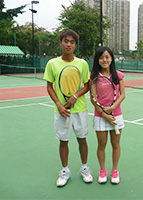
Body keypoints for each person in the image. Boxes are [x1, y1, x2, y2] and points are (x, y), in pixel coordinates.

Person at [44, 29, 93, 187]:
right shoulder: (52, 63)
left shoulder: (82, 64)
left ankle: (85, 169)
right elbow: (49, 86)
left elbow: (87, 85)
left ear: (75, 45)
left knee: (82, 139)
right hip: (62, 111)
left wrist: (76, 96)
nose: (69, 44)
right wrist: (58, 104)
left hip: (80, 109)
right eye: (66, 41)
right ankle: (65, 171)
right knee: (63, 141)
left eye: (72, 42)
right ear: (60, 42)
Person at [90, 46, 125, 184]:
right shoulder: (94, 77)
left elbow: (122, 95)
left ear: (111, 58)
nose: (104, 60)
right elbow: (93, 98)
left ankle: (114, 171)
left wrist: (112, 108)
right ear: (97, 60)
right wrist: (104, 114)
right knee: (101, 145)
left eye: (107, 57)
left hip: (116, 115)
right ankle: (102, 171)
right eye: (101, 57)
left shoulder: (118, 75)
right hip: (100, 116)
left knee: (115, 144)